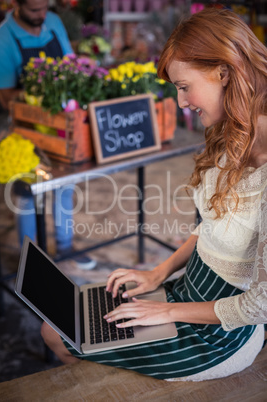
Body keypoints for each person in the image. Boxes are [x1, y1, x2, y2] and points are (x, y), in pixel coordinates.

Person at [41, 8, 267, 380]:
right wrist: (157, 273)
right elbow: (209, 228)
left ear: (223, 72)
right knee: (66, 318)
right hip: (184, 293)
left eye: (183, 86)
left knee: (58, 333)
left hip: (218, 336)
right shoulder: (232, 133)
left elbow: (260, 305)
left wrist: (166, 312)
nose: (181, 102)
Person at [0, 0, 96, 269]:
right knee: (27, 192)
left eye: (44, 8)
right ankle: (28, 261)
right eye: (34, 10)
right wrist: (41, 95)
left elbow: (69, 65)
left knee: (65, 184)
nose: (41, 15)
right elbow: (6, 96)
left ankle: (65, 248)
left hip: (61, 124)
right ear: (17, 5)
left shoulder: (53, 21)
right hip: (27, 127)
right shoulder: (3, 37)